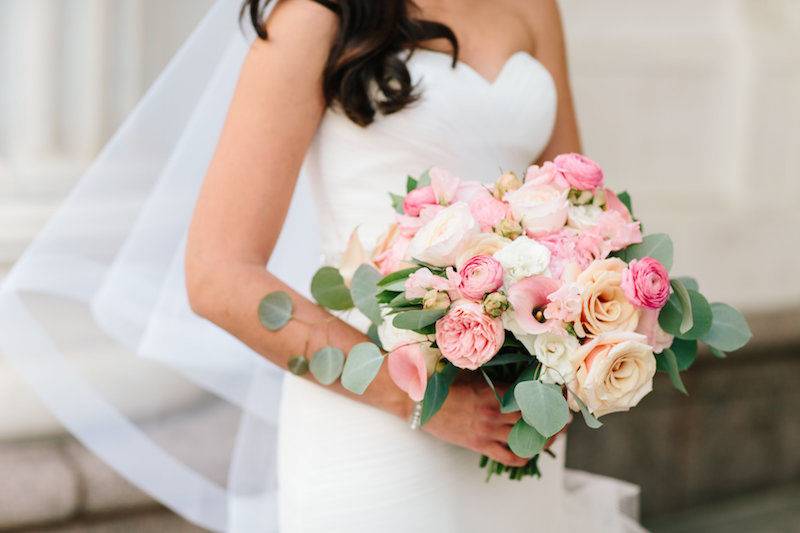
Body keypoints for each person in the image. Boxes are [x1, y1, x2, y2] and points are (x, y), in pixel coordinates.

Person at [186, 1, 640, 531]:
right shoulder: (315, 16)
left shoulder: (534, 7)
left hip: (515, 417)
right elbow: (217, 276)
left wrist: (572, 360)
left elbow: (580, 206)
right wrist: (418, 399)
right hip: (372, 423)